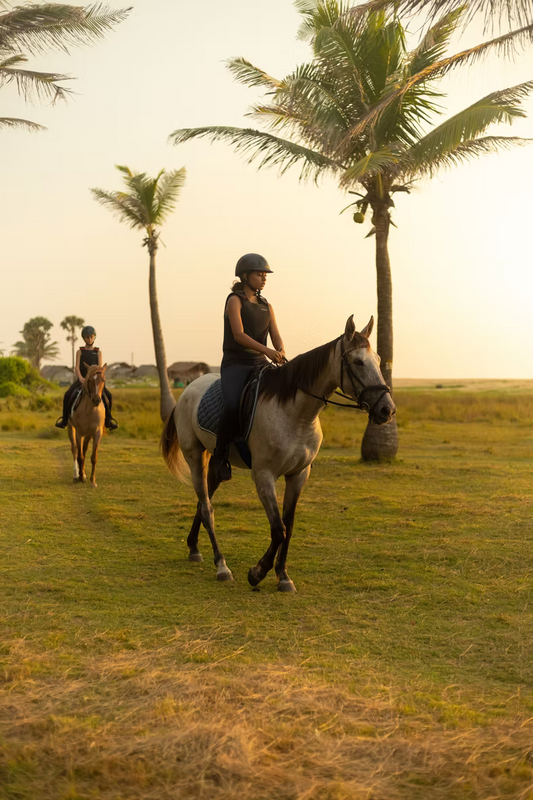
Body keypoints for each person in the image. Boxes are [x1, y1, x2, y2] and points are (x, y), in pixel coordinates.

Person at [212, 253, 285, 482]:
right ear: (245, 276)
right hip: (236, 364)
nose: (264, 278)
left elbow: (276, 336)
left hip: (260, 363)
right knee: (233, 405)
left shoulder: (267, 305)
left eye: (265, 275)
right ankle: (220, 455)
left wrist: (280, 351)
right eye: (259, 274)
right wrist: (267, 351)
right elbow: (239, 335)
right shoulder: (234, 300)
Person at [55, 325, 118, 430]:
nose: (89, 339)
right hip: (82, 380)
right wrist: (80, 378)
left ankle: (108, 421)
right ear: (83, 338)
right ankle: (64, 420)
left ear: (94, 337)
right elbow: (76, 367)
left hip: (95, 381)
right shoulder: (80, 352)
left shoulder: (98, 352)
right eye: (87, 337)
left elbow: (99, 369)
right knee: (67, 394)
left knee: (109, 396)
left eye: (91, 337)